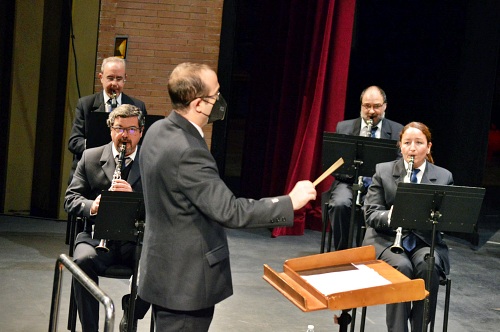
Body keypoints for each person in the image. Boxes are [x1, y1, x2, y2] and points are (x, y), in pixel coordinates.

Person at [138, 62, 317, 331]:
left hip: (162, 273)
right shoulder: (188, 151)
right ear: (199, 104)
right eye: (216, 95)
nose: (220, 101)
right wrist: (289, 201)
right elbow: (231, 211)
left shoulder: (156, 131)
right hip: (185, 285)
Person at [64, 104, 149, 332]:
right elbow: (71, 198)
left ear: (141, 131)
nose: (125, 135)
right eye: (120, 128)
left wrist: (133, 199)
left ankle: (132, 311)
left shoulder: (153, 163)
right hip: (96, 236)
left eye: (131, 129)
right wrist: (94, 206)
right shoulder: (90, 157)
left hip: (136, 239)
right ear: (111, 129)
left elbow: (163, 207)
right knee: (82, 262)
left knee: (159, 266)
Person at [362, 122, 453, 332]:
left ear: (428, 147)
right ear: (400, 146)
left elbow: (446, 220)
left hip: (424, 240)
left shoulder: (443, 176)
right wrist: (390, 216)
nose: (412, 148)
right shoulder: (383, 171)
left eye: (419, 143)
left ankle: (419, 328)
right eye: (407, 143)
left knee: (427, 266)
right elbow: (371, 214)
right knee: (401, 268)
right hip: (386, 240)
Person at [327, 86, 403, 250]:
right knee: (339, 204)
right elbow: (335, 164)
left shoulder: (398, 131)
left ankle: (370, 254)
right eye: (367, 106)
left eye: (376, 106)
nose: (371, 111)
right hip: (348, 182)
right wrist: (355, 174)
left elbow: (399, 164)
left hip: (380, 187)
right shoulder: (344, 127)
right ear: (361, 105)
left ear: (385, 106)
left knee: (378, 210)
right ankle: (342, 253)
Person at [67, 56, 147, 181]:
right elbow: (74, 142)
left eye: (119, 79)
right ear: (101, 77)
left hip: (126, 174)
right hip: (92, 173)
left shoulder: (137, 106)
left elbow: (142, 142)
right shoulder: (85, 104)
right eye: (110, 78)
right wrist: (100, 147)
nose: (114, 84)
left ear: (125, 78)